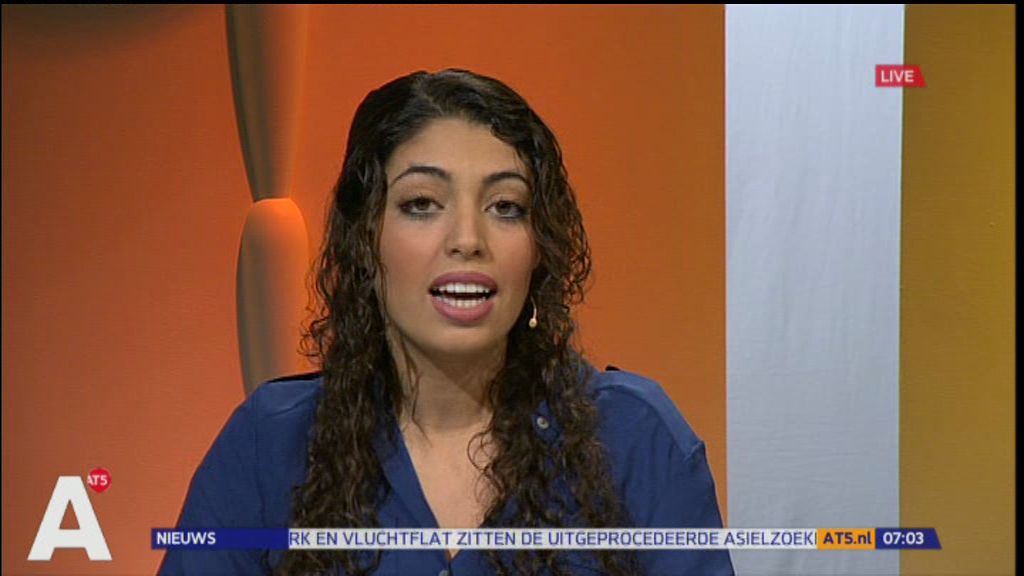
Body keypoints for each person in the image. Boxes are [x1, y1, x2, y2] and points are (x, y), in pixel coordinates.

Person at [160, 69, 734, 576]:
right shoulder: (270, 441)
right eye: (422, 204)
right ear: (366, 241)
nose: (467, 239)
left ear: (538, 249)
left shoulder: (634, 435)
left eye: (505, 207)